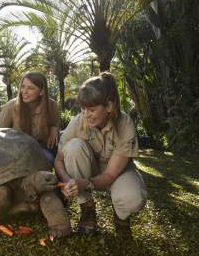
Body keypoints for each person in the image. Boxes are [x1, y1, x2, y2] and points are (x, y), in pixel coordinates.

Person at [54, 72, 147, 234]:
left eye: (91, 109)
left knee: (133, 197)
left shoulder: (125, 124)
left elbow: (110, 175)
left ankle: (121, 217)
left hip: (117, 174)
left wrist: (85, 183)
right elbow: (58, 160)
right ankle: (87, 209)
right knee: (74, 146)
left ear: (109, 107)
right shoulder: (78, 122)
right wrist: (69, 180)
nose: (86, 114)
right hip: (89, 169)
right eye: (83, 108)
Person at [0, 71, 60, 163]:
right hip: (16, 150)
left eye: (30, 88)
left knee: (48, 159)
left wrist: (54, 127)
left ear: (41, 91)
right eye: (23, 86)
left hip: (40, 148)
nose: (24, 91)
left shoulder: (51, 105)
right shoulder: (10, 106)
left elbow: (56, 124)